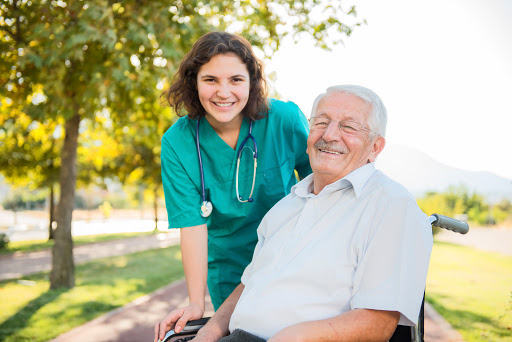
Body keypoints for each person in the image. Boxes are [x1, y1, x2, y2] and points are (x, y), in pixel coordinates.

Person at [190, 85, 434, 342]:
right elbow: (249, 283)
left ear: (375, 147)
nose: (329, 135)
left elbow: (377, 324)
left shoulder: (392, 205)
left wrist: (291, 337)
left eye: (348, 126)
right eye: (321, 122)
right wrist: (212, 328)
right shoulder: (285, 207)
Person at [154, 31, 312, 341]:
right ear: (193, 82)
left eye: (236, 80)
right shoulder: (177, 142)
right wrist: (196, 303)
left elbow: (324, 186)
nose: (223, 92)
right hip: (229, 271)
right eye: (210, 79)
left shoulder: (284, 119)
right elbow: (192, 225)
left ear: (251, 82)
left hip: (293, 260)